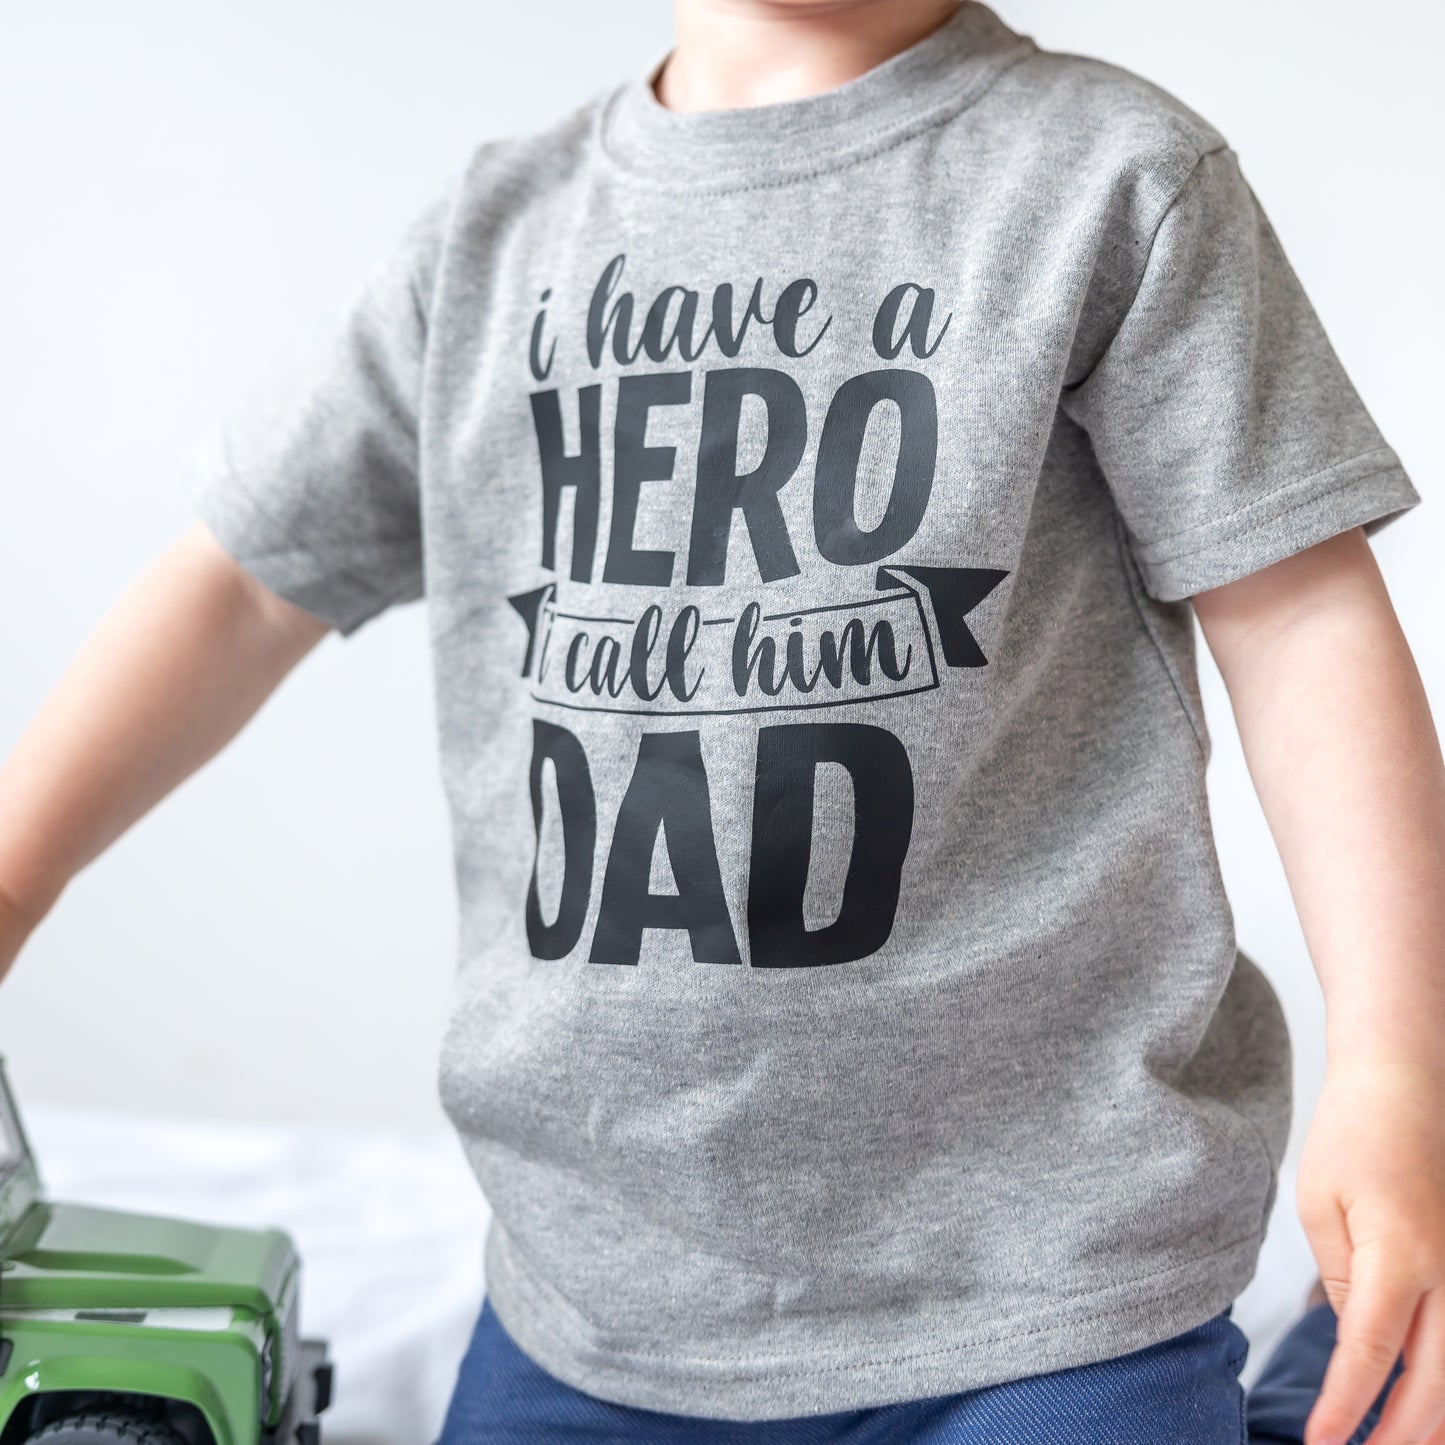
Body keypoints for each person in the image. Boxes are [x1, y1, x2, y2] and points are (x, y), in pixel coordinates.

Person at [0, 1, 1440, 1441]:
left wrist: (1397, 1066)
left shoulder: (1113, 180)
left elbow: (1300, 624)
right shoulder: (492, 238)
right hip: (595, 1298)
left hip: (1051, 1286)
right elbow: (245, 583)